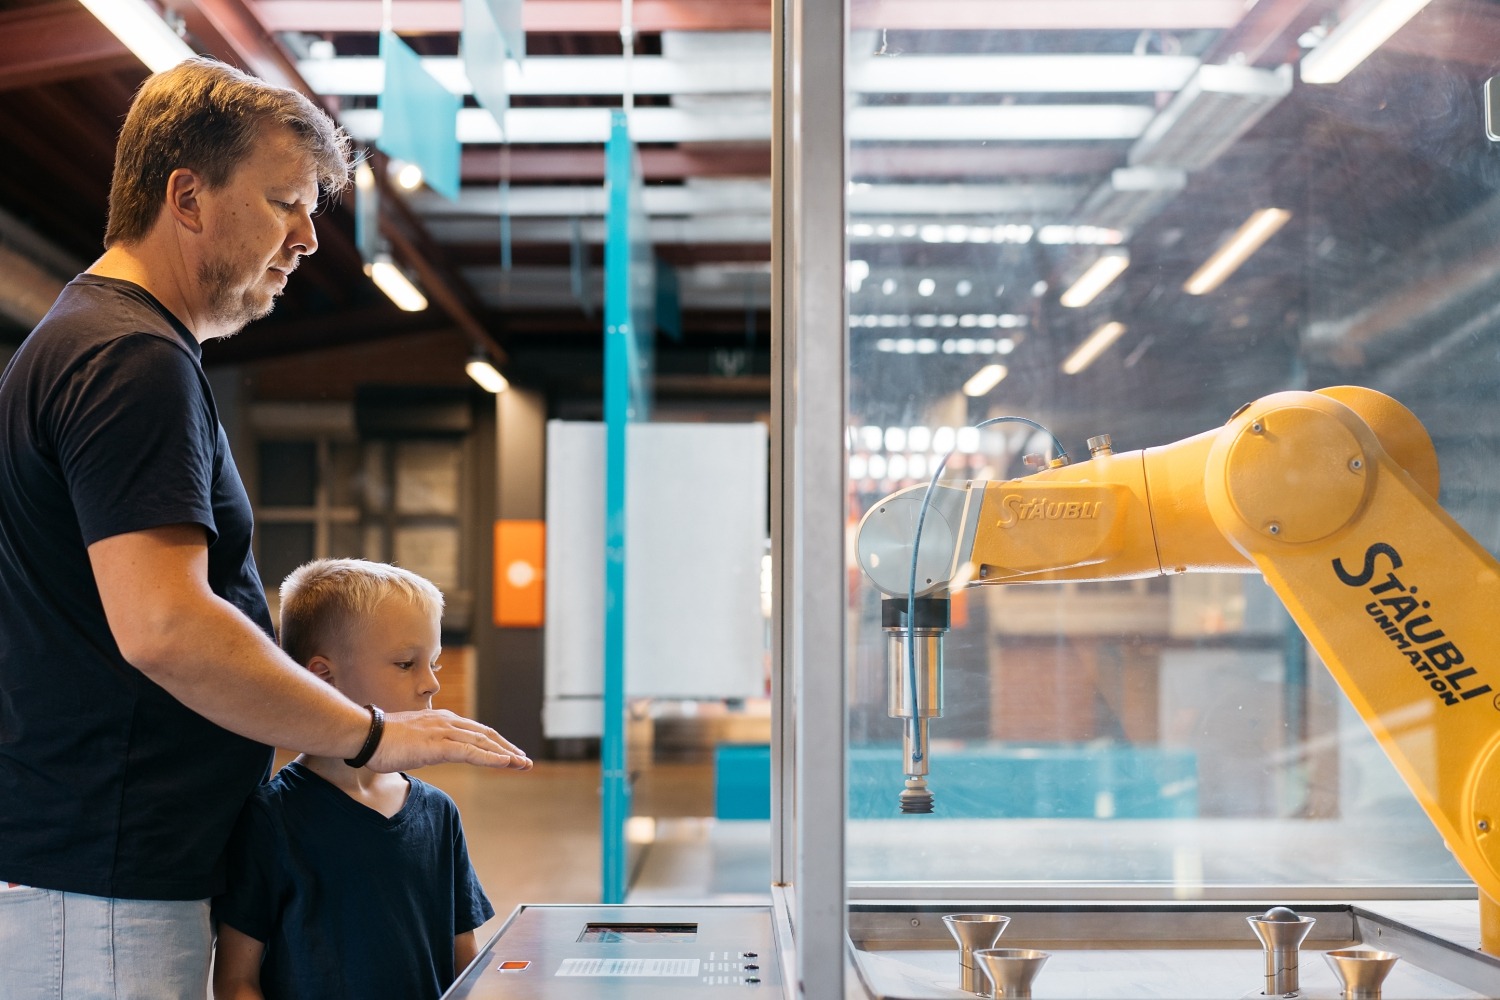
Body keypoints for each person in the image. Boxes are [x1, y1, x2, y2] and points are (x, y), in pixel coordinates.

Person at [0, 57, 529, 1000]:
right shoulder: (131, 359)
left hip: (103, 873)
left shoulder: (112, 343)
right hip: (103, 882)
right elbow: (166, 628)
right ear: (187, 196)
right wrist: (373, 735)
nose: (309, 237)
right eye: (286, 200)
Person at [213, 559, 494, 1000]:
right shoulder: (270, 819)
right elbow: (235, 981)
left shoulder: (440, 814)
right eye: (406, 664)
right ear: (323, 677)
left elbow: (467, 964)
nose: (430, 685)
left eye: (434, 663)